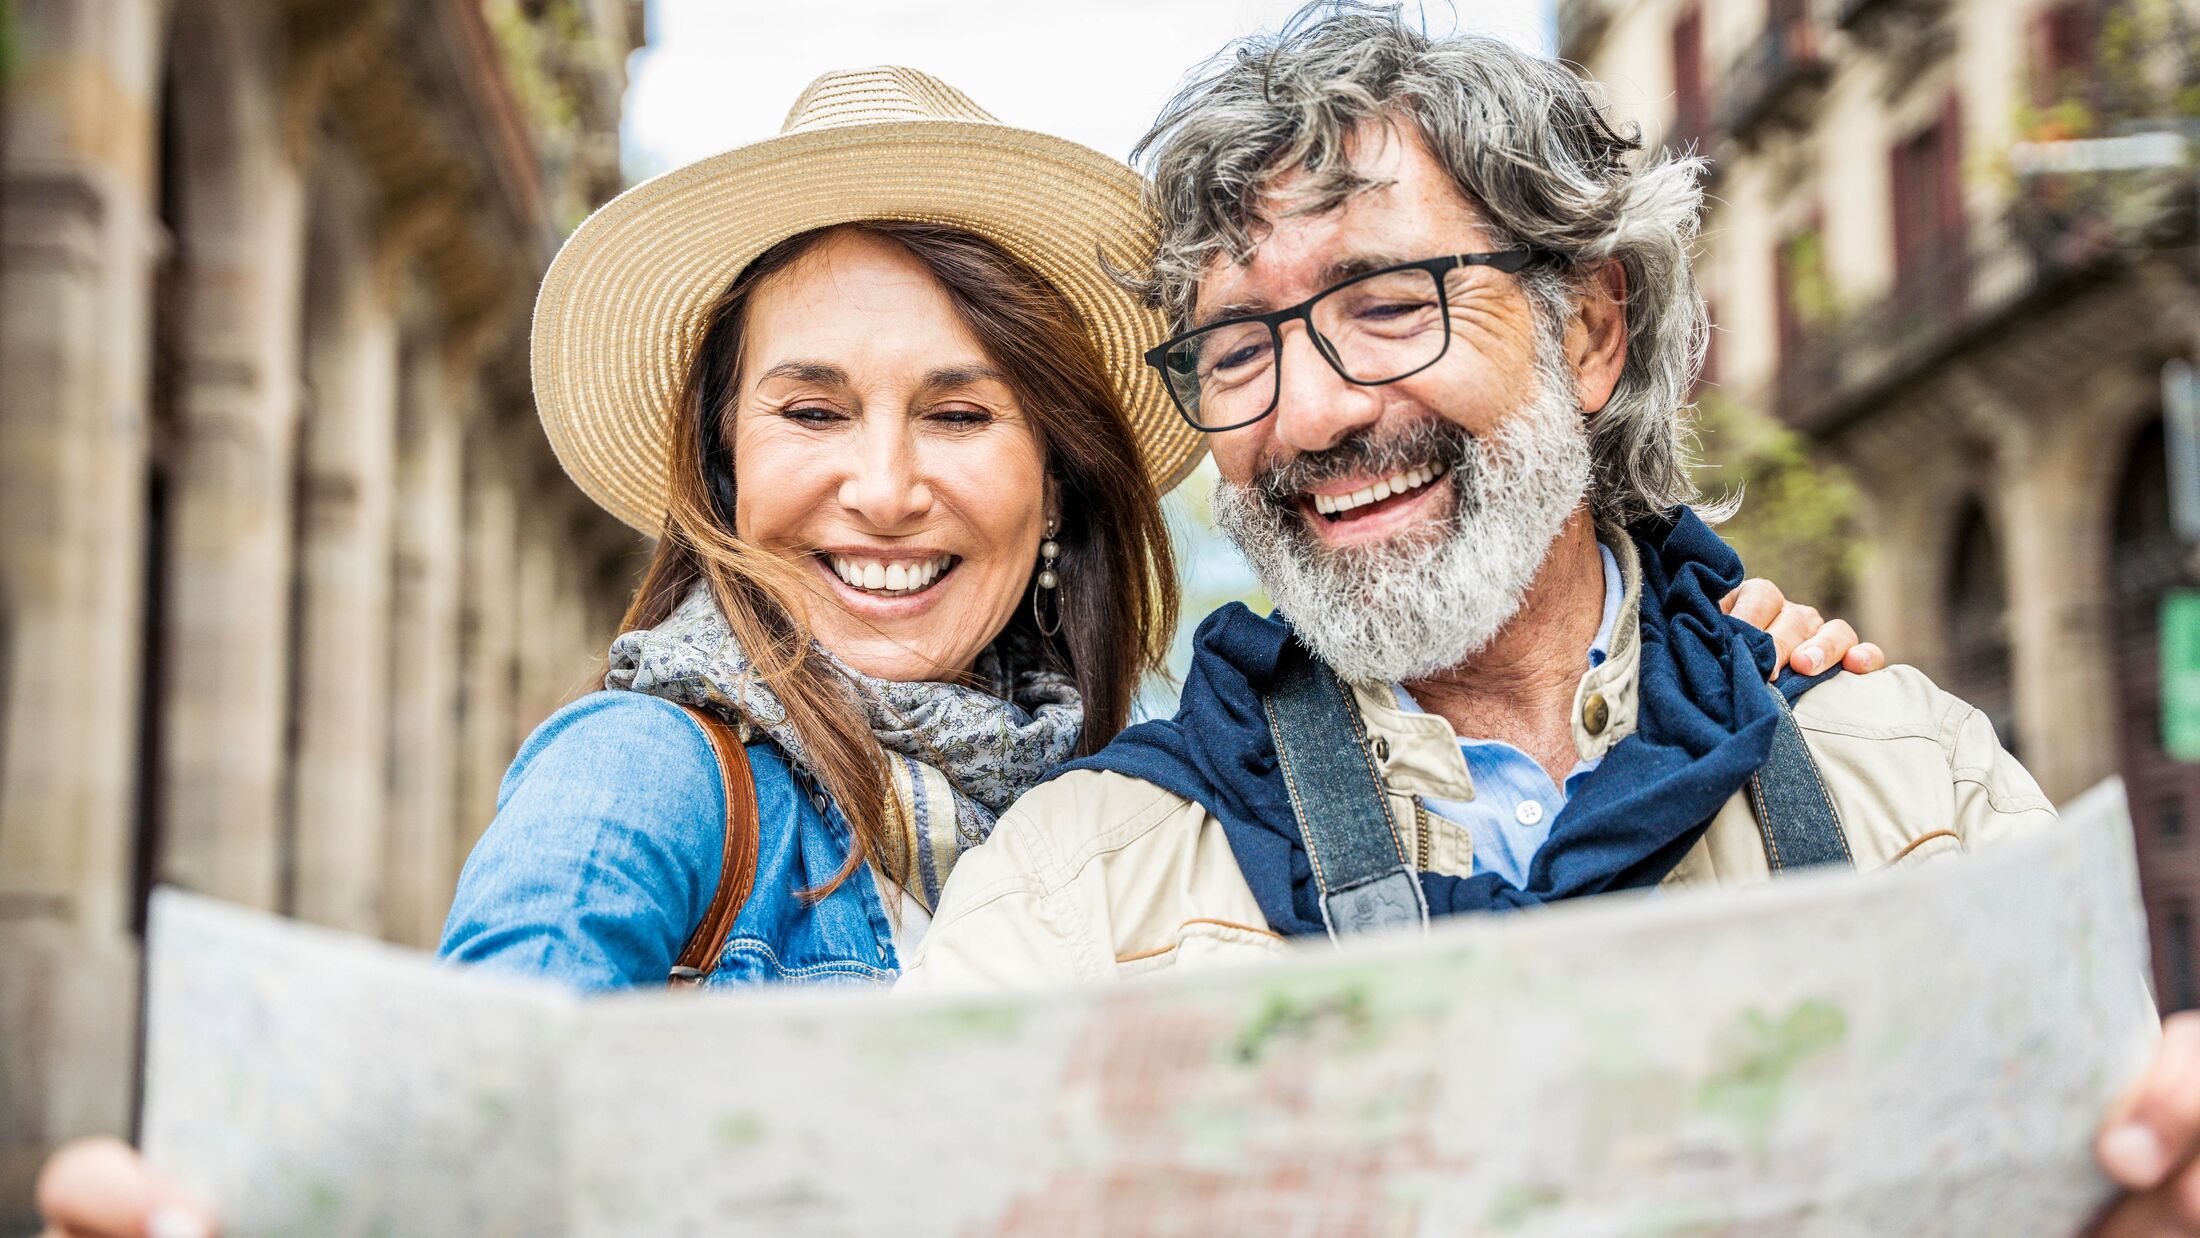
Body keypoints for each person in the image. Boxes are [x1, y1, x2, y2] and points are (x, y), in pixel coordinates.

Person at [33, 61, 1875, 1238]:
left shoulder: (1108, 800)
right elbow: (455, 1167)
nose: (885, 490)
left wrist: (1754, 672)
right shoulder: (643, 773)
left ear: (1062, 478)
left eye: (962, 413)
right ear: (723, 459)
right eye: (813, 409)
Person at [888, 10, 2200, 1235]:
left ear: (1591, 330)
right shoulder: (1080, 888)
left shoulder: (1915, 781)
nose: (1307, 416)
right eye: (1237, 350)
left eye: (1389, 306)